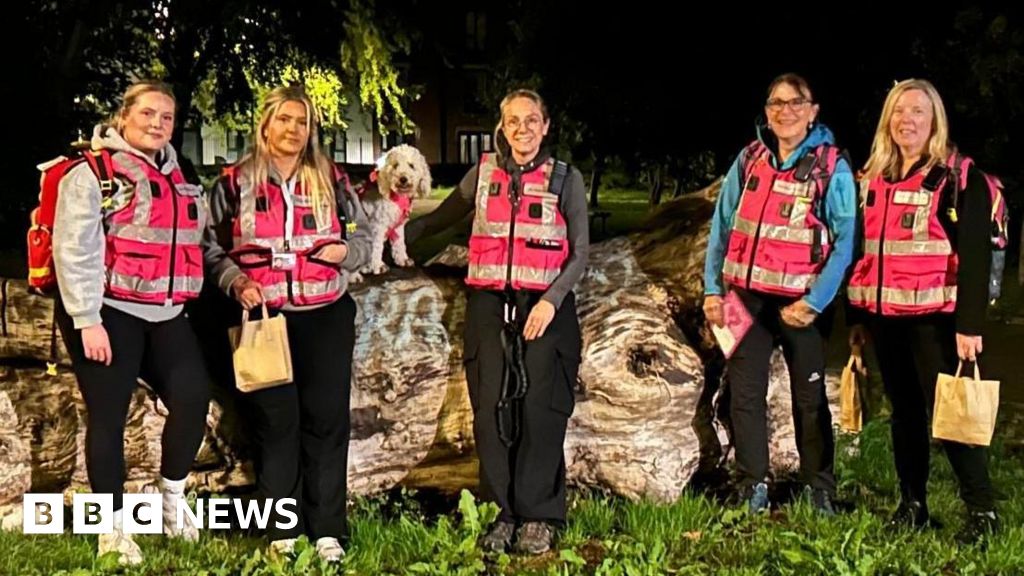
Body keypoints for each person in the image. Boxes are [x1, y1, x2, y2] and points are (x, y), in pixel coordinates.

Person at [404, 88, 588, 554]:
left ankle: (539, 514)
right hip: (490, 305)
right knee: (491, 410)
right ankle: (500, 513)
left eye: (531, 120)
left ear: (546, 125)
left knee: (541, 410)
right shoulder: (484, 172)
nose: (521, 129)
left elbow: (581, 253)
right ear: (501, 127)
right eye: (512, 121)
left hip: (546, 306)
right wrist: (393, 233)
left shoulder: (566, 179)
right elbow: (442, 216)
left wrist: (550, 301)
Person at [203, 85, 371, 561]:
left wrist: (346, 252)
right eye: (285, 120)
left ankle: (327, 532)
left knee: (326, 421)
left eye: (302, 122)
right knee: (275, 424)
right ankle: (283, 530)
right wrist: (235, 280)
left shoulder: (332, 179)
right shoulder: (234, 182)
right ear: (266, 123)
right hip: (263, 318)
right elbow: (208, 246)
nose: (293, 130)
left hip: (325, 314)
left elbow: (361, 235)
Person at [52, 80, 212, 565]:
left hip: (165, 313)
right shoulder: (93, 172)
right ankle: (112, 529)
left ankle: (171, 498)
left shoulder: (180, 176)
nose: (157, 124)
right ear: (124, 117)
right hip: (108, 311)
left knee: (191, 397)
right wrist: (87, 319)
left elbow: (196, 244)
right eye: (147, 114)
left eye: (166, 117)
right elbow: (73, 249)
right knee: (109, 417)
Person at [846, 78, 998, 544]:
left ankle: (982, 512)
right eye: (898, 111)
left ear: (934, 121)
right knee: (904, 416)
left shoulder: (957, 177)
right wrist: (855, 322)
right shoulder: (872, 177)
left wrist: (969, 326)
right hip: (883, 318)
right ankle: (912, 504)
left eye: (917, 112)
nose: (906, 120)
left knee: (950, 417)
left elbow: (975, 256)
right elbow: (860, 252)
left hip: (938, 322)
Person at [702, 73, 857, 514]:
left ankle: (819, 489)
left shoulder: (832, 167)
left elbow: (846, 242)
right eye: (776, 103)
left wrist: (816, 302)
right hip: (740, 297)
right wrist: (713, 288)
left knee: (809, 398)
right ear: (766, 112)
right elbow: (722, 225)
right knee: (741, 393)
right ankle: (753, 484)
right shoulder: (750, 158)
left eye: (795, 103)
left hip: (801, 305)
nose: (785, 112)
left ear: (813, 112)